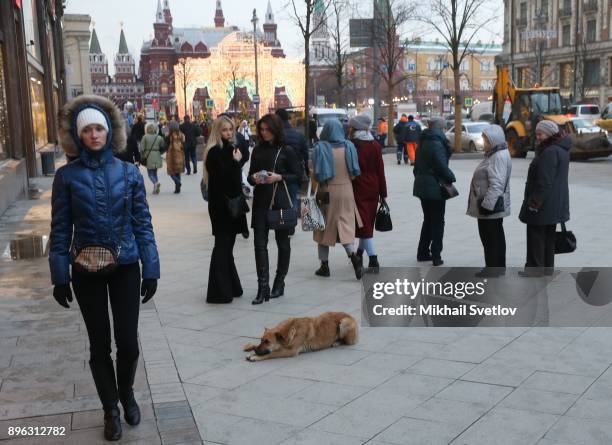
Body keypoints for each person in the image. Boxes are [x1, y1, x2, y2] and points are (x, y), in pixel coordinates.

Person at [50, 95, 160, 442]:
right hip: (86, 271)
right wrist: (59, 273)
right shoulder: (66, 177)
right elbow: (60, 228)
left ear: (109, 131)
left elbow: (143, 222)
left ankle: (126, 392)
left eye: (99, 128)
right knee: (100, 346)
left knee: (128, 344)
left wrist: (151, 266)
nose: (94, 135)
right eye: (88, 130)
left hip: (126, 265)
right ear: (78, 136)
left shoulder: (129, 173)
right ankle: (110, 409)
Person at [247, 114, 300, 304]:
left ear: (275, 129)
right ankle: (263, 287)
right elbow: (249, 176)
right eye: (261, 130)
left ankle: (279, 282)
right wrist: (253, 178)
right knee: (259, 245)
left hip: (279, 201)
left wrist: (279, 177)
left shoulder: (287, 150)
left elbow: (299, 176)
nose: (264, 133)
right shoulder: (258, 150)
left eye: (267, 129)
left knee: (282, 243)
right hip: (261, 201)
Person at [204, 116, 248, 303]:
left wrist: (238, 160)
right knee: (222, 246)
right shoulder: (214, 152)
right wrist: (236, 162)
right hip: (221, 207)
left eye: (231, 129)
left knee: (228, 247)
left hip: (233, 205)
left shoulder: (231, 149)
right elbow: (222, 178)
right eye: (225, 130)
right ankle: (218, 291)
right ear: (217, 131)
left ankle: (229, 286)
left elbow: (234, 177)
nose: (229, 133)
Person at [311, 119, 363, 279]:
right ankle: (353, 257)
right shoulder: (349, 146)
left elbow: (315, 174)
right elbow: (355, 173)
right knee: (345, 225)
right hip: (347, 190)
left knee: (323, 228)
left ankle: (324, 266)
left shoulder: (320, 148)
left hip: (326, 192)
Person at [519, 120, 570, 275]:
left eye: (540, 134)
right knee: (548, 237)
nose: (538, 137)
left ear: (549, 133)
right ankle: (547, 269)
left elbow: (544, 182)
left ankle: (534, 269)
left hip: (543, 204)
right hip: (555, 203)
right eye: (537, 134)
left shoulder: (549, 152)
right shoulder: (562, 149)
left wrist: (534, 203)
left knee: (536, 236)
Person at [466, 124, 512, 276]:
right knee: (496, 235)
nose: (483, 142)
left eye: (485, 139)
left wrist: (487, 205)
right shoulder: (497, 154)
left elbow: (497, 184)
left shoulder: (497, 156)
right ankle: (498, 267)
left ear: (493, 140)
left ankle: (492, 268)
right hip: (492, 204)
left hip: (489, 205)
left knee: (490, 238)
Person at [413, 118, 456, 266]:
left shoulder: (423, 141)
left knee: (428, 219)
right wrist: (451, 177)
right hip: (435, 186)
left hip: (422, 185)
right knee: (438, 221)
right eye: (445, 128)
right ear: (441, 129)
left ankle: (423, 252)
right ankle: (436, 255)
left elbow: (416, 167)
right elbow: (441, 166)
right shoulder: (437, 143)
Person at [348, 114, 387, 273]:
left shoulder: (352, 145)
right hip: (374, 187)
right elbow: (380, 171)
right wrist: (383, 193)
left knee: (364, 226)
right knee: (366, 223)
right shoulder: (375, 144)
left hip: (358, 186)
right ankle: (359, 252)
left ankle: (373, 259)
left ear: (355, 128)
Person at [276, 108, 309, 207]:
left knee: (278, 204)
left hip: (278, 175)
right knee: (292, 201)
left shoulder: (276, 136)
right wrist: (306, 171)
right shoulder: (299, 135)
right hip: (294, 175)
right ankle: (292, 220)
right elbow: (305, 155)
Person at [139, 123, 164, 194]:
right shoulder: (158, 137)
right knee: (155, 173)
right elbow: (163, 146)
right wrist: (160, 152)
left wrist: (142, 155)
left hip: (149, 156)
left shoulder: (145, 137)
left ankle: (155, 183)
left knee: (150, 174)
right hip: (157, 155)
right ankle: (155, 188)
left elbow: (142, 148)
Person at [166, 121, 185, 194]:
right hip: (180, 154)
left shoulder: (169, 135)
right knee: (178, 172)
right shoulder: (181, 134)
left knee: (171, 172)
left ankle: (177, 182)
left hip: (171, 155)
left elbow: (166, 144)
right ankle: (177, 189)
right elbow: (183, 142)